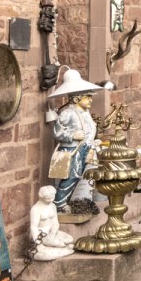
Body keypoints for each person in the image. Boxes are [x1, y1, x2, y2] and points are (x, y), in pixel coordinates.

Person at [46, 68, 105, 214]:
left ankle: (72, 202)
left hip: (85, 149)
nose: (91, 100)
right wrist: (72, 135)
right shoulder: (67, 113)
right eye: (87, 97)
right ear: (77, 98)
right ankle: (59, 204)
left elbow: (89, 130)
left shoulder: (86, 113)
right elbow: (57, 132)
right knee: (70, 177)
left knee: (80, 177)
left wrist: (93, 141)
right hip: (71, 150)